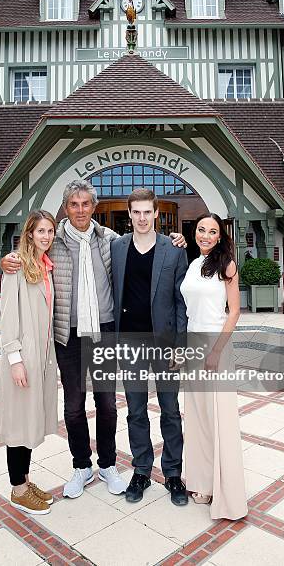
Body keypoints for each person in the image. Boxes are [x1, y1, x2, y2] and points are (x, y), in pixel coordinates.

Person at [1, 180, 186, 500]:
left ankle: (109, 465)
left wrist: (177, 238)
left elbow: (153, 257)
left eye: (86, 203)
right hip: (68, 335)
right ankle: (81, 466)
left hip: (105, 332)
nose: (80, 210)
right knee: (73, 406)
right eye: (74, 204)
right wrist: (9, 259)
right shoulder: (52, 240)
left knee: (108, 404)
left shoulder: (110, 240)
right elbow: (27, 251)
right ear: (66, 208)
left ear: (94, 207)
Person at [111, 188, 189, 506]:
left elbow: (182, 302)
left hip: (165, 342)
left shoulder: (173, 249)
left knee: (170, 411)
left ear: (156, 213)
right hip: (130, 340)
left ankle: (172, 474)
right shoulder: (116, 247)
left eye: (147, 212)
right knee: (135, 411)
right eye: (136, 212)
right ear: (129, 215)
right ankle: (141, 470)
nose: (142, 218)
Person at [180, 213, 248, 520]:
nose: (205, 235)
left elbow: (234, 312)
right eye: (201, 230)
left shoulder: (227, 265)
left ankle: (226, 493)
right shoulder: (194, 264)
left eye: (212, 231)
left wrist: (216, 352)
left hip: (215, 345)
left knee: (218, 418)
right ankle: (203, 482)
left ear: (220, 236)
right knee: (197, 417)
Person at [0, 210, 58, 515]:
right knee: (19, 424)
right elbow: (8, 316)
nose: (46, 236)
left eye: (50, 231)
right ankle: (18, 490)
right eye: (41, 231)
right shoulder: (16, 266)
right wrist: (15, 359)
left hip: (41, 359)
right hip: (22, 360)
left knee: (31, 421)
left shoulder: (45, 266)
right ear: (30, 233)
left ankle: (26, 480)